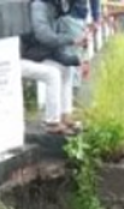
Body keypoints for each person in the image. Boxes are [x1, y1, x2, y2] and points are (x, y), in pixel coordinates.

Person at [21, 0, 86, 135]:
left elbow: (56, 48)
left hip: (34, 57)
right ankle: (52, 122)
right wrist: (71, 40)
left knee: (66, 68)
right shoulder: (38, 5)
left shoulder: (53, 8)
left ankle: (65, 115)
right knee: (52, 74)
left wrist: (77, 61)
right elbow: (44, 36)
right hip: (19, 58)